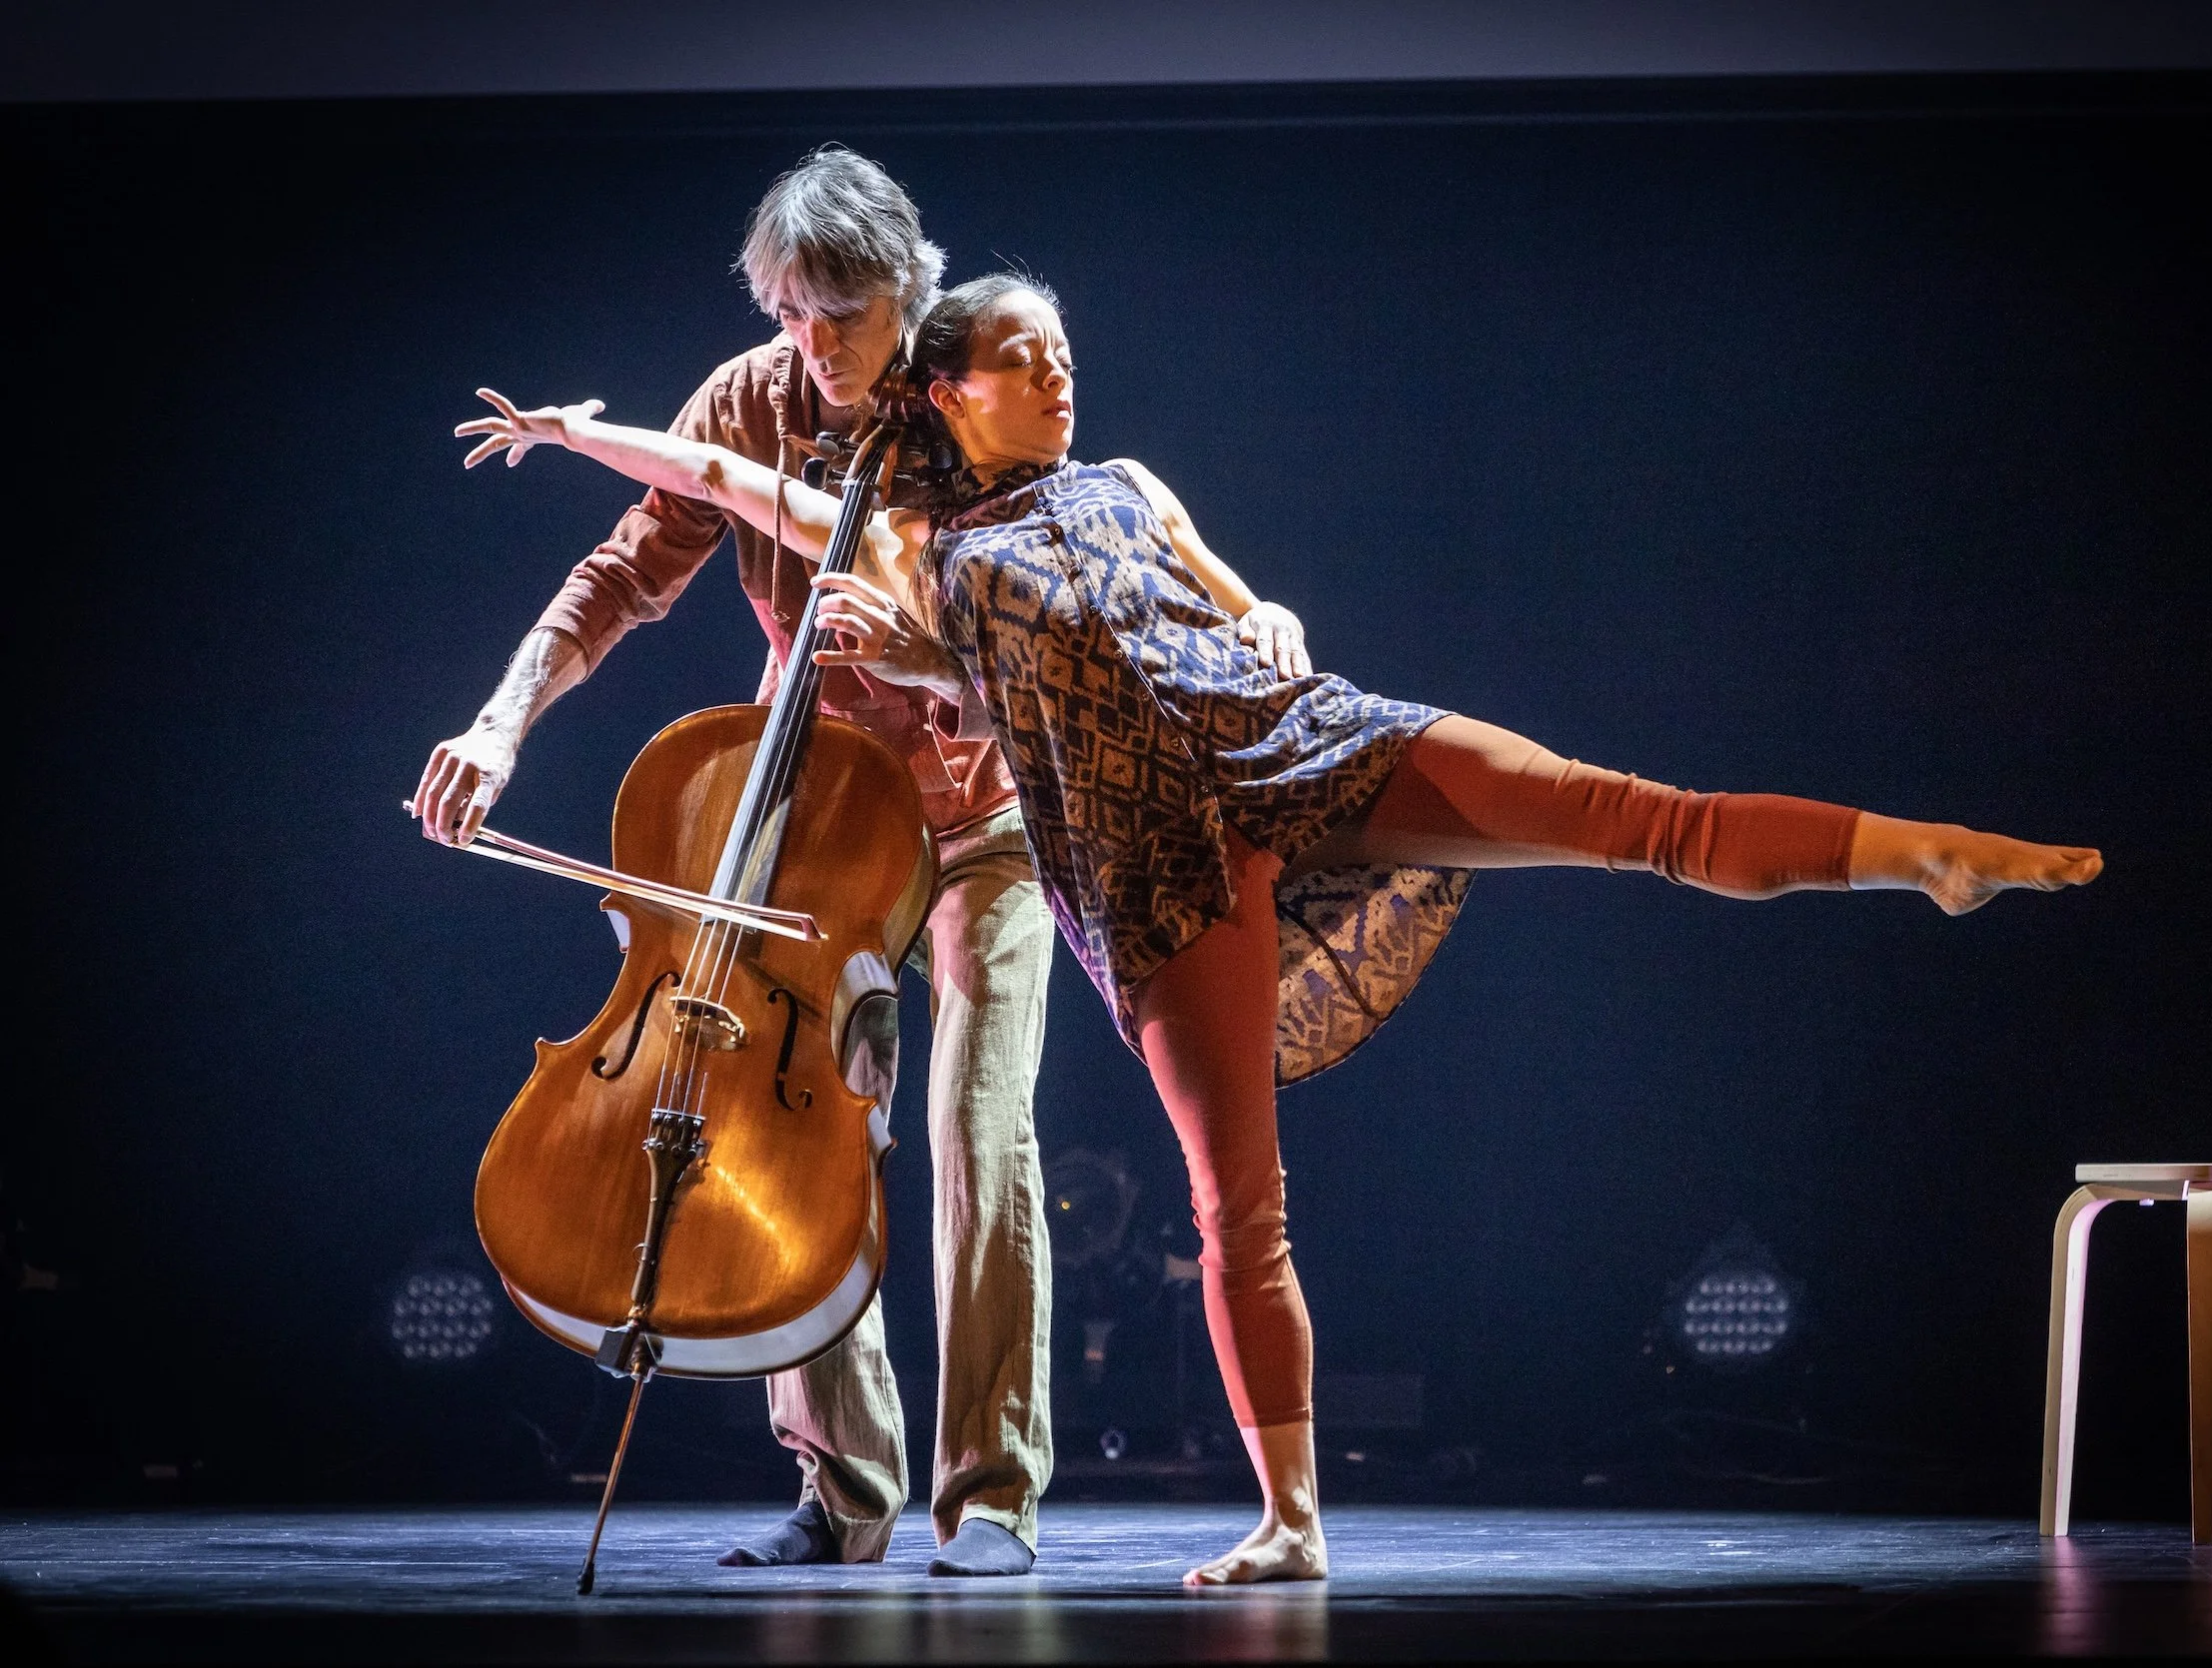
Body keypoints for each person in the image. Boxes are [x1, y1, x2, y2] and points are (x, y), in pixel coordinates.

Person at [453, 275, 2103, 1586]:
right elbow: (733, 479)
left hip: (1297, 744)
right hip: (1159, 864)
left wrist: (1267, 622)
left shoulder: (1127, 479)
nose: (1058, 373)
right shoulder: (916, 555)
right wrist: (592, 435)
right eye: (1024, 358)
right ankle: (1293, 1518)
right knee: (1241, 1204)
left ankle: (1928, 852)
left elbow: (1253, 606)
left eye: (1063, 350)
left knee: (1623, 812)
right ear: (950, 394)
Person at [415, 153, 1311, 1578]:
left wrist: (953, 652)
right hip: (822, 821)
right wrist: (498, 717)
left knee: (974, 1122)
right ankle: (841, 1489)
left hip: (986, 818)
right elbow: (627, 571)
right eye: (788, 314)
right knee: (792, 1122)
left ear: (911, 291)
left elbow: (1084, 592)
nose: (812, 347)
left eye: (842, 314)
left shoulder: (971, 395)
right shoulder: (751, 394)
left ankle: (994, 1493)